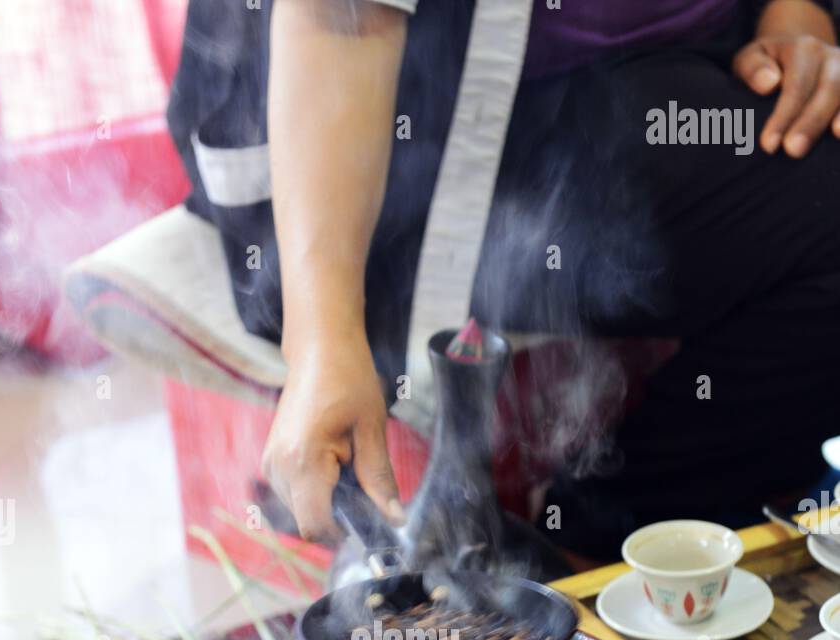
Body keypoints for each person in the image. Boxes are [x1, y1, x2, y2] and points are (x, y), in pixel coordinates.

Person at [168, 0, 840, 558]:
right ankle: (603, 551)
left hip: (661, 71)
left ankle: (612, 542)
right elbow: (345, 20)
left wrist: (796, 16)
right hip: (393, 122)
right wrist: (321, 340)